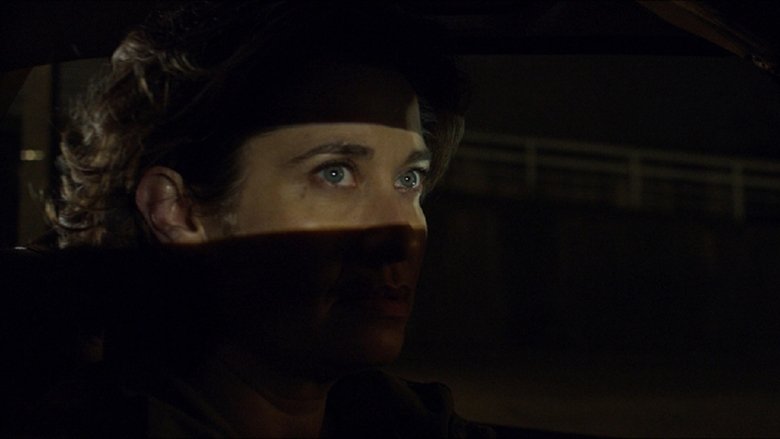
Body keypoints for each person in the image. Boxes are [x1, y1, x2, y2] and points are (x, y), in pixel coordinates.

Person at [13, 1, 489, 437]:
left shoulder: (394, 416)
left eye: (408, 179)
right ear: (176, 211)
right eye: (335, 173)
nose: (401, 238)